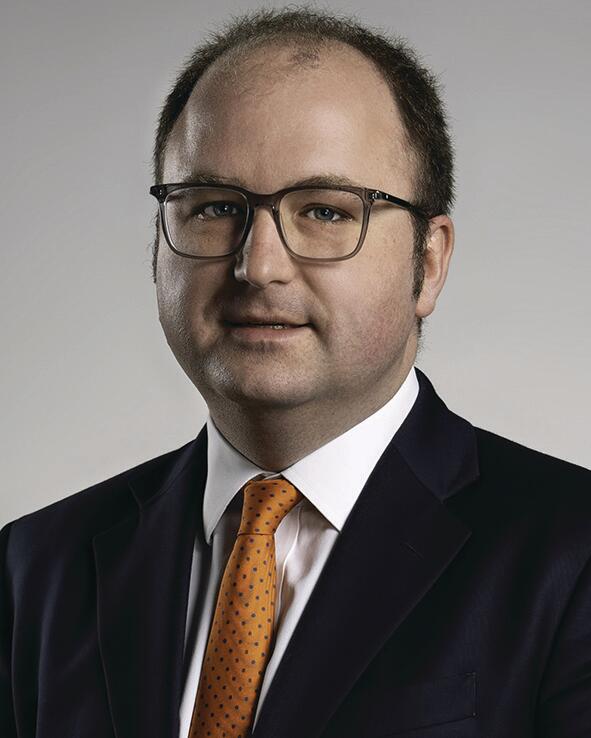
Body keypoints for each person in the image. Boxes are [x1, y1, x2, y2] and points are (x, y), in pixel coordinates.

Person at [1, 7, 590, 738]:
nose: (258, 265)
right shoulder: (38, 566)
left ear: (430, 262)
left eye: (325, 211)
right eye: (214, 207)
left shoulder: (570, 556)